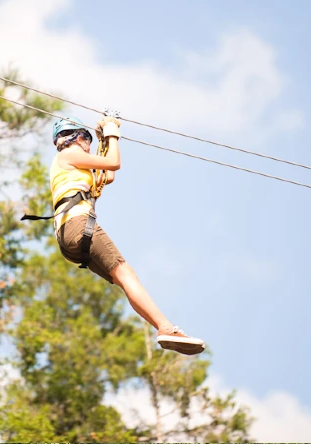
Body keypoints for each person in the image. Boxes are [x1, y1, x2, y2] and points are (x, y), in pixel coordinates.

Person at [46, 115, 205, 356]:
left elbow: (107, 175)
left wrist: (105, 140)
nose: (88, 146)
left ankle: (163, 328)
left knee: (123, 280)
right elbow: (114, 163)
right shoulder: (68, 154)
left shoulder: (69, 165)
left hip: (67, 237)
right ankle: (165, 327)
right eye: (87, 140)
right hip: (78, 225)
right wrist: (111, 132)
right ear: (78, 137)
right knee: (126, 272)